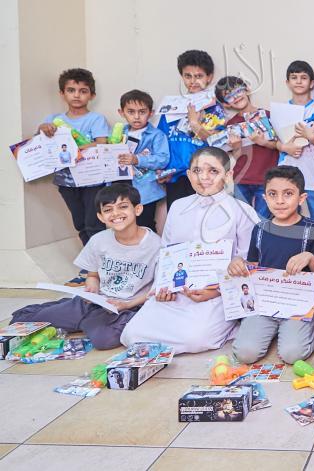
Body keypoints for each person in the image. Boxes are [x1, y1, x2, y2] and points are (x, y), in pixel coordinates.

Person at [121, 147, 259, 354]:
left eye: (213, 171)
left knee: (195, 339)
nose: (203, 177)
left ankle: (229, 325)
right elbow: (166, 252)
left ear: (228, 175)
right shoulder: (178, 207)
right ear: (188, 174)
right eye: (197, 171)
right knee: (131, 335)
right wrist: (162, 288)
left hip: (218, 295)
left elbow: (250, 261)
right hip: (177, 293)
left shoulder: (242, 211)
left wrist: (215, 291)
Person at [11, 184, 160, 349]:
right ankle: (78, 316)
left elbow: (155, 290)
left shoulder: (156, 245)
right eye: (108, 210)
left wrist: (127, 305)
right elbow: (93, 275)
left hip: (128, 308)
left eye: (123, 207)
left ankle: (81, 321)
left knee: (104, 340)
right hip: (95, 302)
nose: (116, 213)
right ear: (101, 217)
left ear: (137, 209)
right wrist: (91, 288)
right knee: (21, 320)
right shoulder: (98, 240)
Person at [228, 165, 314, 364]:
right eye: (273, 194)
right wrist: (239, 263)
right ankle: (272, 330)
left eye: (288, 194)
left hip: (297, 305)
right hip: (265, 304)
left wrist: (310, 258)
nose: (280, 201)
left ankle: (313, 325)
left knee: (292, 354)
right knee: (245, 353)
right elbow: (253, 266)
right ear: (265, 197)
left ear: (302, 198)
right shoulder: (260, 229)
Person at [37, 68, 110, 286]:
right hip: (66, 182)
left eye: (83, 91)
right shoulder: (53, 120)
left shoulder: (96, 119)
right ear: (62, 93)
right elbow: (41, 144)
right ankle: (92, 266)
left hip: (93, 181)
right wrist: (42, 128)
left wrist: (75, 150)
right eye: (71, 90)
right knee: (80, 224)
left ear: (91, 95)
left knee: (94, 224)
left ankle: (96, 270)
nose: (77, 95)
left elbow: (102, 144)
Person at [158, 50, 226, 207]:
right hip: (175, 175)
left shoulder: (214, 108)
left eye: (199, 76)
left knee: (206, 218)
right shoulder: (170, 106)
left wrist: (195, 125)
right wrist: (161, 168)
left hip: (205, 175)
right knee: (179, 216)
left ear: (209, 77)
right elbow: (161, 140)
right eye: (188, 76)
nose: (193, 81)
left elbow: (218, 142)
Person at [215, 76, 280, 219]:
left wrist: (262, 142)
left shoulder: (267, 116)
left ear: (247, 89)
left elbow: (280, 146)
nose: (236, 97)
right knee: (242, 220)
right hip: (241, 180)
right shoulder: (230, 125)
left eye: (238, 91)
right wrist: (237, 147)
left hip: (267, 178)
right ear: (225, 104)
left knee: (262, 221)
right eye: (229, 96)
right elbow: (234, 157)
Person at [277, 60, 314, 223]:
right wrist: (285, 147)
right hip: (286, 168)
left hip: (313, 170)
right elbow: (273, 142)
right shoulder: (280, 111)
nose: (299, 81)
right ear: (287, 82)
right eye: (294, 77)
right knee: (286, 214)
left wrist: (311, 137)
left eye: (304, 77)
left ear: (312, 83)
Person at [115, 90, 170, 232]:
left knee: (145, 224)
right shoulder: (118, 133)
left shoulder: (156, 135)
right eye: (131, 112)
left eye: (142, 112)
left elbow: (163, 159)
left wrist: (137, 159)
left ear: (151, 113)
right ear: (121, 112)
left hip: (146, 189)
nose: (136, 117)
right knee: (124, 225)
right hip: (121, 186)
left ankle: (151, 246)